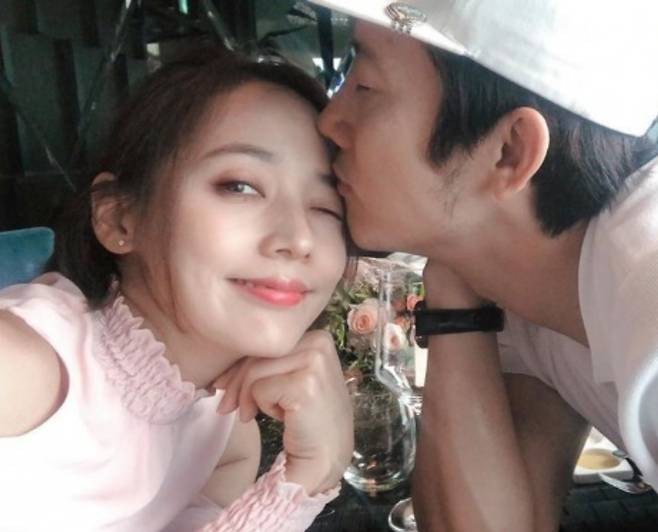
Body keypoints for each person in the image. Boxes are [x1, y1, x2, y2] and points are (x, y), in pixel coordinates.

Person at [310, 0, 658, 530]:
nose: (330, 120)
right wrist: (451, 281)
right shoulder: (530, 281)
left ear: (510, 152)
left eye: (366, 87)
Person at [0, 48, 353, 531]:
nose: (299, 239)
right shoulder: (26, 368)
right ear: (120, 219)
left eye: (327, 207)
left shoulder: (224, 434)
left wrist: (308, 476)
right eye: (240, 186)